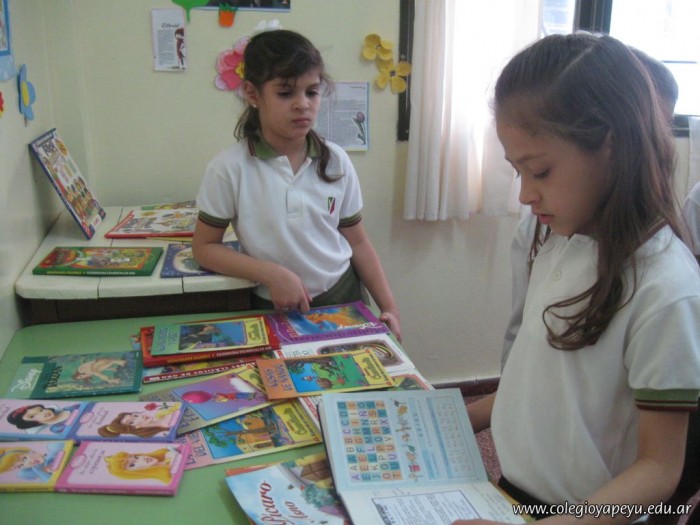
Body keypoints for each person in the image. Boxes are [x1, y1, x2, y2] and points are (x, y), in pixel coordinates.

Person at [460, 33, 700, 524]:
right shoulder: (560, 239)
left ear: (611, 145)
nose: (525, 195)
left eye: (540, 171)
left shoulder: (666, 290)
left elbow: (659, 469)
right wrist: (461, 417)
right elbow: (541, 380)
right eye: (517, 172)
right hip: (516, 492)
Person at [192, 29, 400, 340]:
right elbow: (204, 248)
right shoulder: (229, 169)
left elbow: (358, 243)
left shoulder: (336, 161)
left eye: (312, 92)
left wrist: (389, 307)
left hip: (342, 298)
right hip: (272, 305)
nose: (302, 104)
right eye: (286, 93)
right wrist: (271, 274)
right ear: (252, 94)